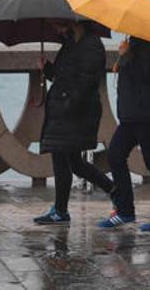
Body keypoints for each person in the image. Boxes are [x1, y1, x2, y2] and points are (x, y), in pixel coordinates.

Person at [33, 20, 115, 224]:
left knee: (62, 158)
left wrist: (68, 104)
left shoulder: (92, 46)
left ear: (74, 23)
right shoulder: (70, 44)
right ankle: (114, 190)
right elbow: (64, 77)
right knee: (75, 162)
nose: (56, 28)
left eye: (59, 24)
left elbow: (86, 82)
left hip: (77, 113)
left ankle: (60, 211)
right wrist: (48, 69)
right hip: (64, 111)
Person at [98, 37, 150, 231]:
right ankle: (125, 210)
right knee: (115, 154)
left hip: (149, 113)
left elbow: (148, 73)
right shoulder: (136, 43)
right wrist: (125, 55)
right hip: (133, 113)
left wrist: (125, 56)